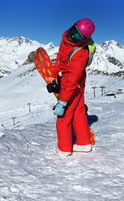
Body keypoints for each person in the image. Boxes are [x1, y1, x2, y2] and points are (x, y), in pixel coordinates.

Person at [48, 18, 96, 156]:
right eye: (74, 31)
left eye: (78, 36)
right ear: (73, 26)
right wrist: (54, 72)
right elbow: (61, 56)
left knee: (63, 117)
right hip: (76, 79)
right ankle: (84, 143)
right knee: (78, 111)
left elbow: (71, 83)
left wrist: (62, 102)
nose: (73, 36)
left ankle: (64, 149)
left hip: (74, 81)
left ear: (84, 38)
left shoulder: (80, 53)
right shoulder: (67, 37)